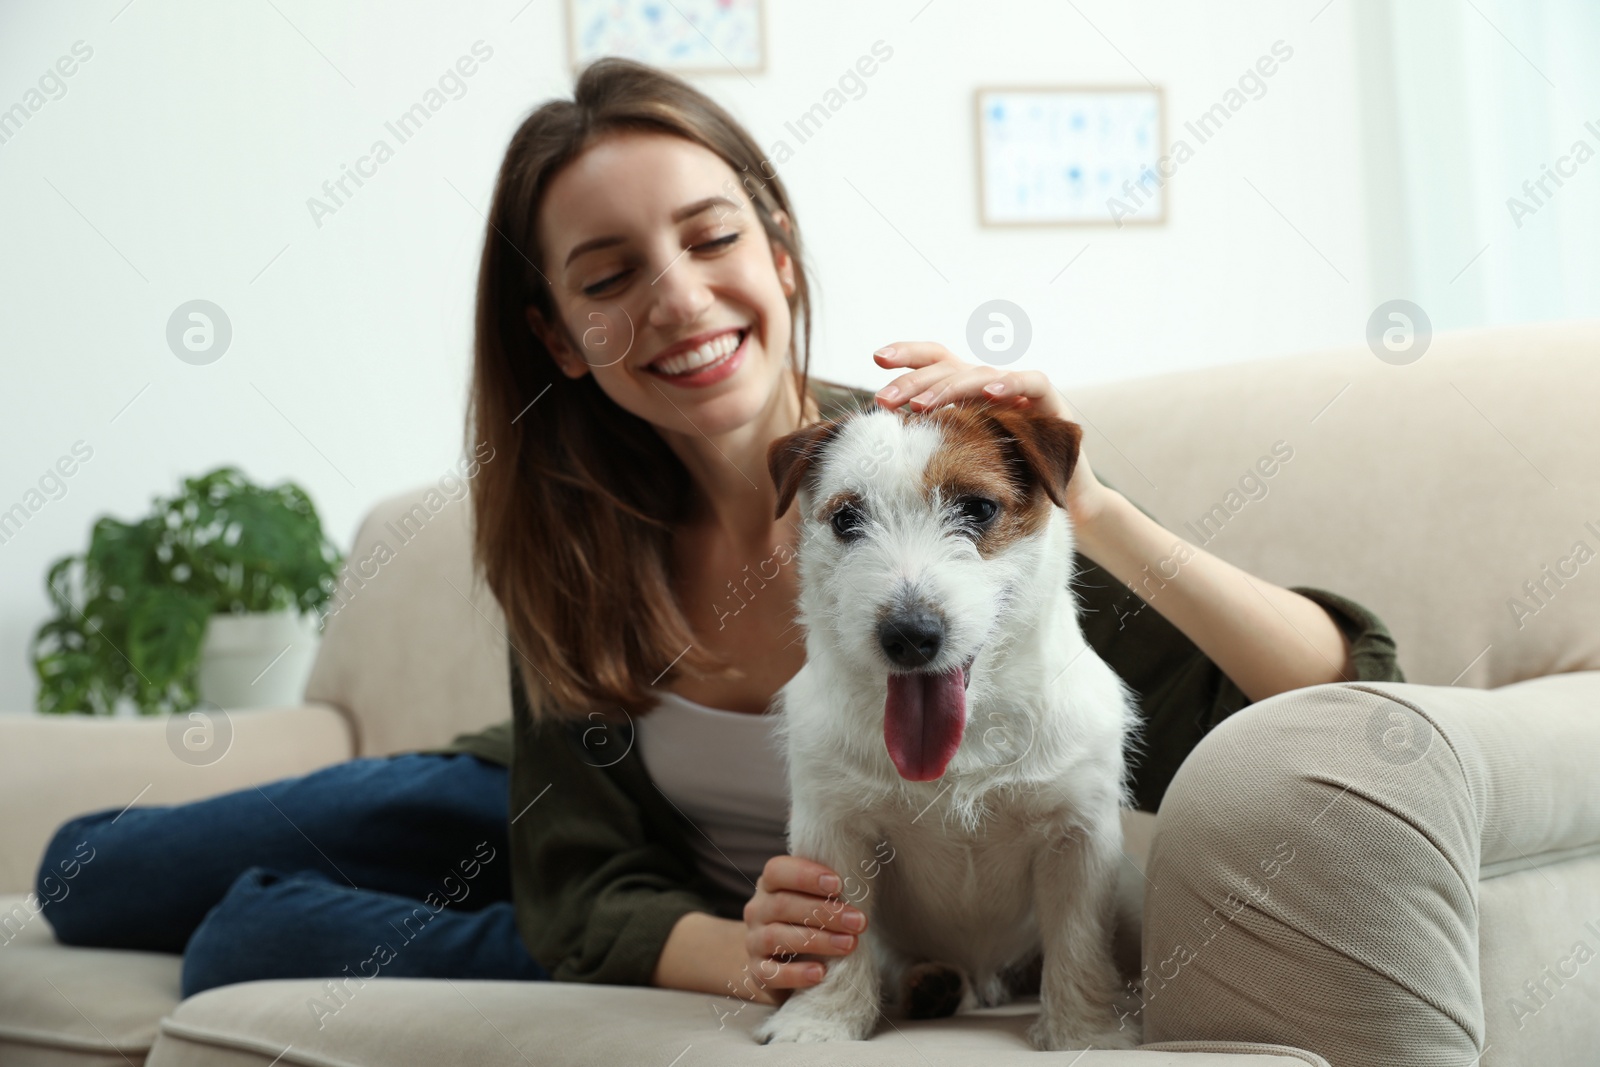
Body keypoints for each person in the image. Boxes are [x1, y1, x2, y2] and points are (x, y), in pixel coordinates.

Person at [36, 55, 1402, 1030]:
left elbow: (1334, 683)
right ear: (558, 341)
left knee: (247, 935)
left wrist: (1096, 501)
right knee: (88, 873)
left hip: (639, 892)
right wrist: (729, 950)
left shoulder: (949, 492)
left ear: (783, 252)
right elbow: (576, 861)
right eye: (609, 276)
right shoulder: (578, 542)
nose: (680, 301)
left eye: (709, 237)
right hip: (506, 809)